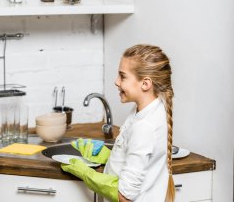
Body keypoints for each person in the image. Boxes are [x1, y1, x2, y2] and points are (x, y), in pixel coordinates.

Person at [62, 44, 175, 202]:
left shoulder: (144, 126)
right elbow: (138, 160)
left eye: (123, 76)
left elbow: (125, 196)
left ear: (145, 84)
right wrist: (105, 156)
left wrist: (85, 173)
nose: (116, 82)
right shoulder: (146, 111)